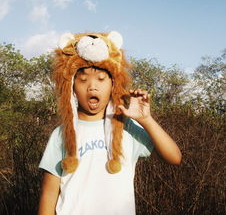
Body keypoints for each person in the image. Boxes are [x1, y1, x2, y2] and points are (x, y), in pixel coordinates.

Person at [38, 31, 182, 215]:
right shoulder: (61, 134)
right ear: (72, 87)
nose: (92, 86)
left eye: (101, 79)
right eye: (82, 80)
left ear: (113, 84)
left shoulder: (126, 128)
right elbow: (49, 194)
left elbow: (174, 157)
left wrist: (146, 120)